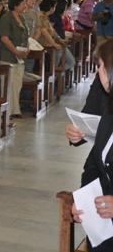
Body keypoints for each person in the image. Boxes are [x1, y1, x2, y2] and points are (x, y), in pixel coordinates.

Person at [71, 39, 113, 251]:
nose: (97, 74)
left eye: (100, 67)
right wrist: (85, 201)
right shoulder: (109, 112)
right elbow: (101, 162)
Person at [0, 0, 29, 119]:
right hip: (8, 55)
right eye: (23, 3)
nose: (25, 6)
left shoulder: (22, 17)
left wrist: (27, 48)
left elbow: (26, 35)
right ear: (15, 5)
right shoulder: (6, 18)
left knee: (17, 84)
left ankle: (16, 109)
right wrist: (16, 51)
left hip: (20, 56)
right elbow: (5, 38)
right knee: (7, 84)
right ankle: (6, 111)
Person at [40, 0, 75, 71]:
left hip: (49, 44)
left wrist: (60, 40)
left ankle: (54, 74)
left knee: (58, 63)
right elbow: (44, 32)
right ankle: (54, 74)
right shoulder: (41, 16)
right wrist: (55, 44)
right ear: (51, 8)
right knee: (52, 66)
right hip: (45, 45)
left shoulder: (46, 17)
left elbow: (52, 30)